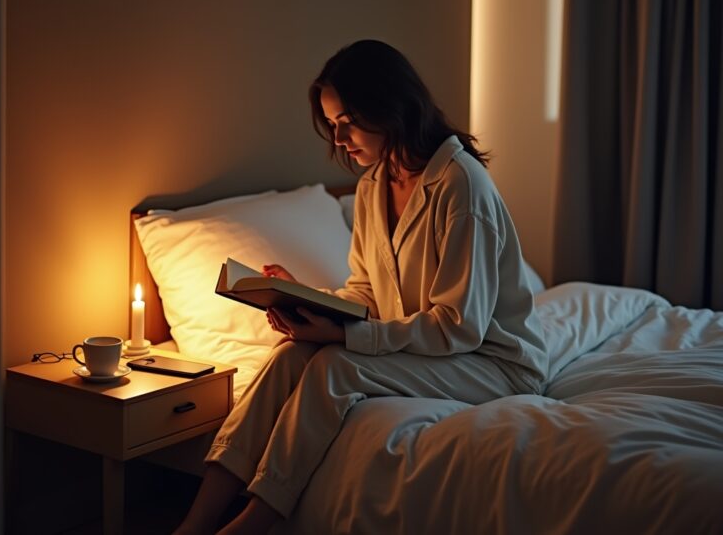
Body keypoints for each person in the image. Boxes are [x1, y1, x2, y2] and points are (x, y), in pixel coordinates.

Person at [174, 39, 549, 534]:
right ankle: (194, 524)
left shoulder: (462, 186)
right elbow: (368, 293)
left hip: (494, 364)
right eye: (332, 124)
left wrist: (345, 337)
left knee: (336, 367)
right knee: (288, 358)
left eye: (347, 120)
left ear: (388, 106)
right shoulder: (374, 184)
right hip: (436, 348)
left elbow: (460, 328)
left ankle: (251, 523)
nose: (339, 137)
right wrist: (312, 301)